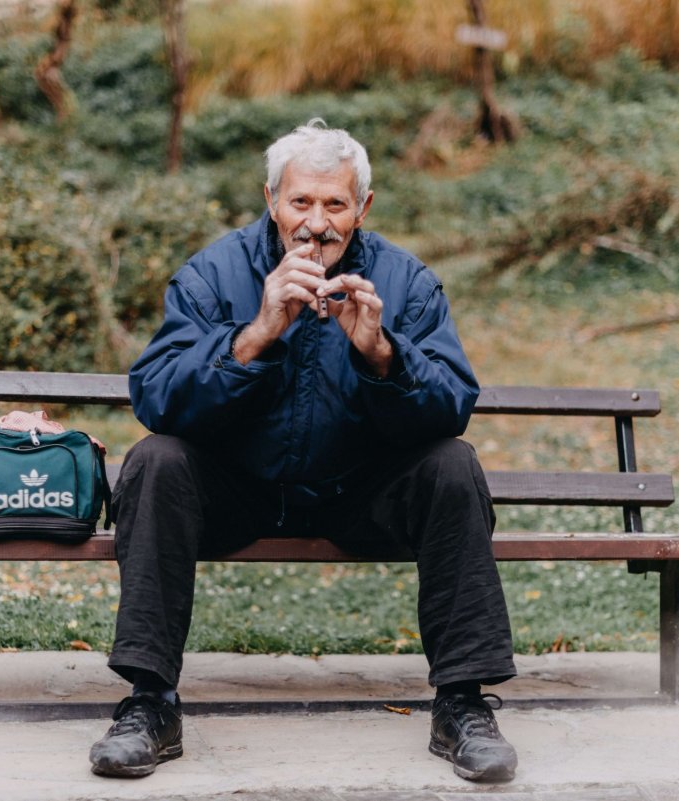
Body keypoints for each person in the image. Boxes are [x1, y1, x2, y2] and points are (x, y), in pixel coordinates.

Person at [88, 119, 518, 783]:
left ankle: (463, 704)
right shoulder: (213, 274)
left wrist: (382, 354)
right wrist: (256, 333)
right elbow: (157, 394)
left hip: (356, 493)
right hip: (240, 489)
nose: (316, 223)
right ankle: (149, 702)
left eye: (335, 204)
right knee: (156, 459)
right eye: (300, 203)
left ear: (363, 208)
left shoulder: (406, 283)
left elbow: (452, 404)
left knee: (452, 466)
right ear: (271, 200)